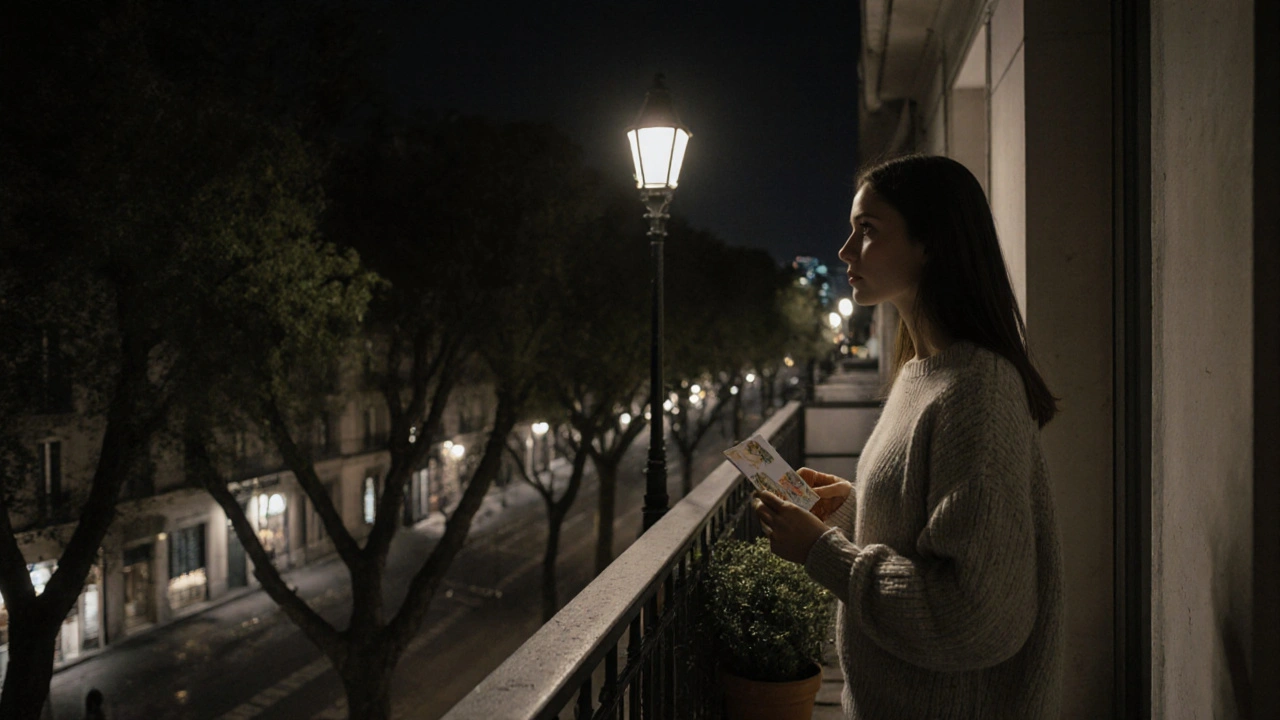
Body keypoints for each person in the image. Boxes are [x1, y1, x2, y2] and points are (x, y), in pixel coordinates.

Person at [753, 154, 1064, 719]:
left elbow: (977, 616)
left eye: (868, 230)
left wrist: (823, 553)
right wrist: (852, 509)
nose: (846, 250)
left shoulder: (978, 391)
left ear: (930, 244)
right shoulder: (921, 375)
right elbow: (928, 528)